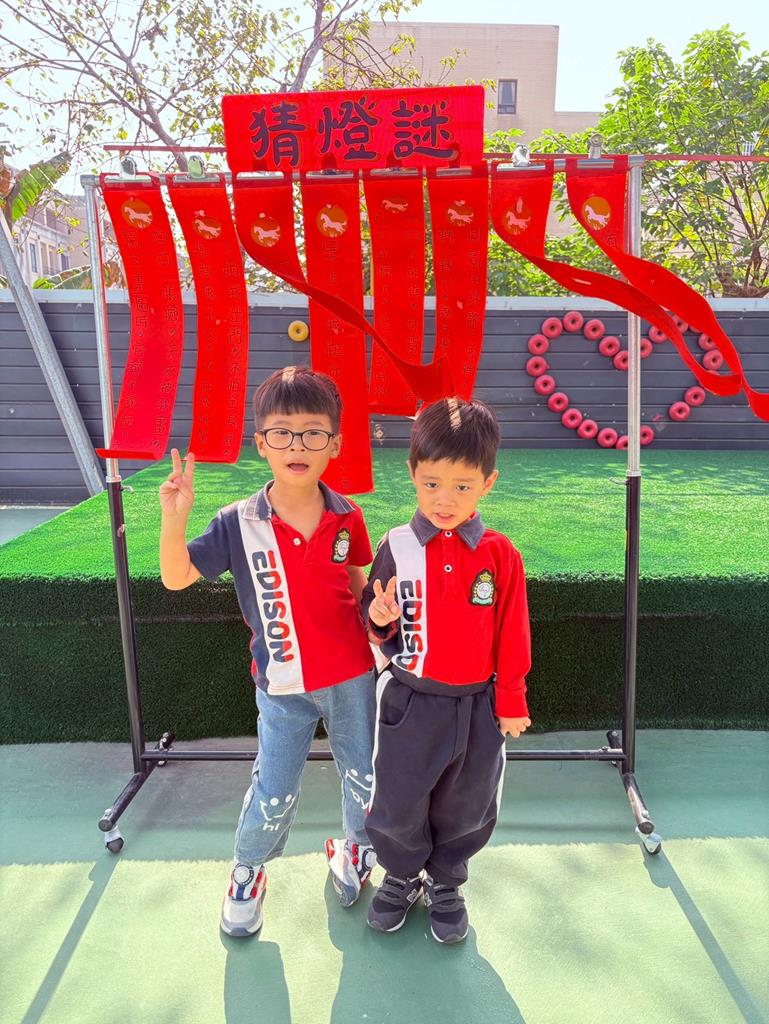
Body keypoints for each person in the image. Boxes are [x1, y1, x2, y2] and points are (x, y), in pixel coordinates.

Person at [159, 366, 377, 937]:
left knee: (364, 775)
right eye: (282, 433)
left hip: (354, 676)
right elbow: (177, 577)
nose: (297, 446)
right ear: (261, 443)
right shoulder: (237, 522)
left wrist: (380, 620)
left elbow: (357, 582)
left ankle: (358, 847)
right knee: (274, 787)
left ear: (335, 444)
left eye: (312, 433)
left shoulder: (347, 515)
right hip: (282, 686)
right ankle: (249, 869)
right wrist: (174, 517)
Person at [362, 397, 532, 944]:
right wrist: (380, 617)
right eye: (432, 483)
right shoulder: (397, 544)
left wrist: (510, 700)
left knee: (468, 804)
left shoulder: (500, 555)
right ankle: (400, 873)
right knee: (398, 800)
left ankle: (446, 881)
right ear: (413, 472)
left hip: (478, 707)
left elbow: (513, 631)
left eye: (463, 486)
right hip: (410, 702)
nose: (445, 499)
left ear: (488, 483)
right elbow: (375, 616)